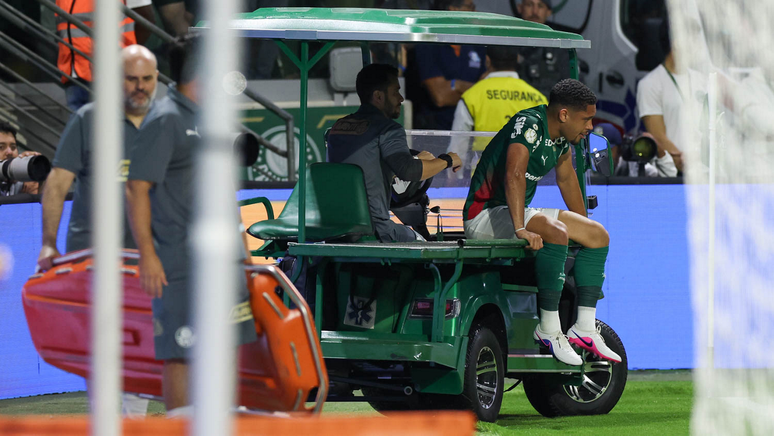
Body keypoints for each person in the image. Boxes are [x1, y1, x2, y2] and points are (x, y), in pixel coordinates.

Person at [125, 35, 257, 415]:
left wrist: (243, 253)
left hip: (225, 261)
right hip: (180, 264)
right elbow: (137, 188)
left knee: (229, 343)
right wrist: (148, 255)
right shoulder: (164, 119)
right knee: (181, 352)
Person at [37, 44, 160, 416]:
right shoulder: (88, 120)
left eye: (147, 79)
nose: (139, 87)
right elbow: (57, 184)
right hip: (93, 257)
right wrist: (47, 244)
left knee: (142, 351)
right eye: (131, 79)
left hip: (146, 259)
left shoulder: (167, 122)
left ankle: (130, 422)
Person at [463, 79, 621, 366]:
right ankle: (548, 328)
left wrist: (582, 226)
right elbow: (514, 174)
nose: (590, 127)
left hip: (516, 210)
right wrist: (521, 228)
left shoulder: (562, 138)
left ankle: (584, 328)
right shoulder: (530, 124)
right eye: (586, 119)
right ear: (564, 115)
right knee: (556, 232)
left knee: (597, 235)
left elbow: (566, 178)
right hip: (485, 214)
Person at [327, 63, 462, 243]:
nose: (401, 98)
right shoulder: (387, 129)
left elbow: (366, 170)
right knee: (423, 243)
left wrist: (414, 159)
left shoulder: (338, 128)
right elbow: (409, 171)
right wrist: (447, 160)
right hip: (375, 229)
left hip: (334, 226)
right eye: (396, 92)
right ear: (379, 96)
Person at [449, 45, 548, 179]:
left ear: (487, 61)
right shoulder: (539, 99)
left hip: (484, 182)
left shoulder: (472, 96)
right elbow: (547, 148)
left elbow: (458, 146)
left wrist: (453, 180)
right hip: (527, 181)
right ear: (517, 59)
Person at [56, 0, 155, 111]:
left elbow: (145, 20)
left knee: (114, 125)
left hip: (110, 74)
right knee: (80, 126)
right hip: (73, 73)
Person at [411, 0, 486, 130]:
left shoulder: (477, 45)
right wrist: (475, 91)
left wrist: (456, 85)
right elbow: (441, 97)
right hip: (435, 132)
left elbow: (486, 93)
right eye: (470, 7)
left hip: (471, 131)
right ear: (453, 9)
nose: (475, 12)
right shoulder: (428, 44)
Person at [636, 19, 685, 172]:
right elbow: (658, 138)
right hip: (675, 173)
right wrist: (685, 161)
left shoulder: (705, 79)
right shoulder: (650, 83)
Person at [515, 0, 572, 98]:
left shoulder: (560, 47)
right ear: (520, 8)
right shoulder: (507, 43)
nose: (535, 11)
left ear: (549, 12)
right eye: (529, 5)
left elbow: (572, 90)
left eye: (540, 6)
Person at [0, 121, 41, 196]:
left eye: (13, 147)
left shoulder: (19, 182)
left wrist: (35, 176)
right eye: (1, 147)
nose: (10, 152)